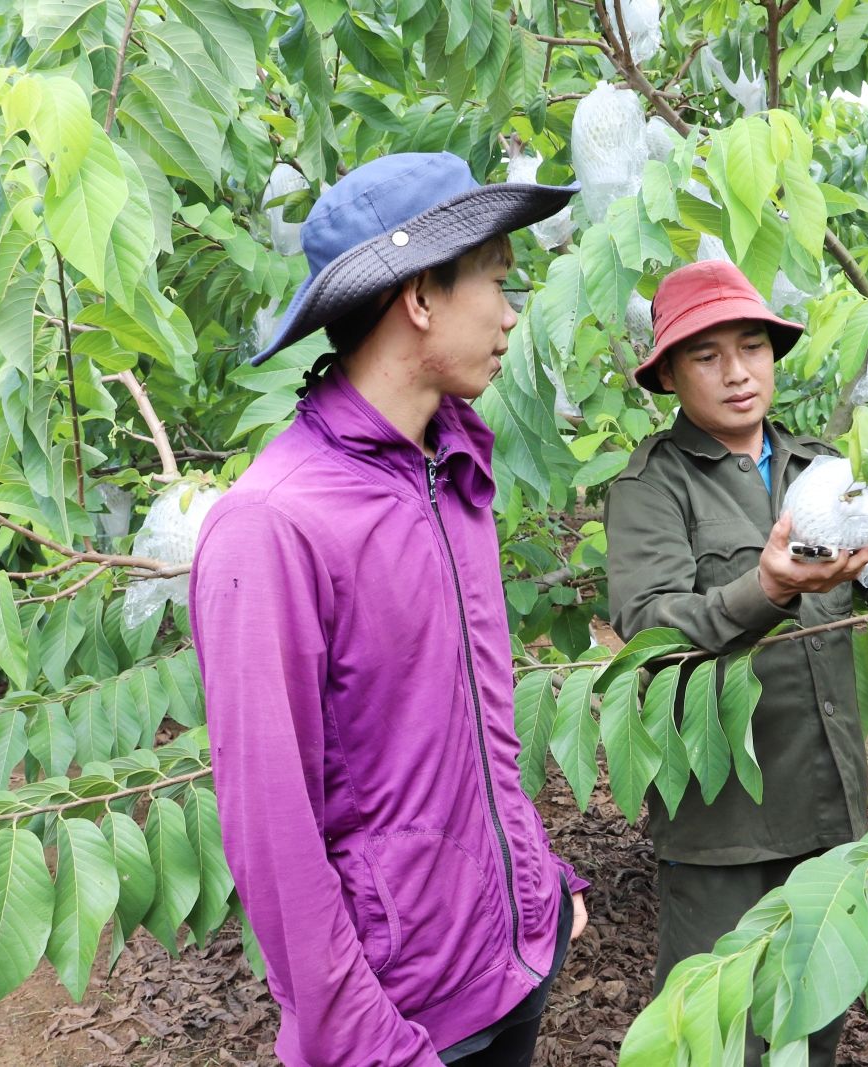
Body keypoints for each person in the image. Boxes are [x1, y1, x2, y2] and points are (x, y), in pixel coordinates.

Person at [189, 152, 589, 1067]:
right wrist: (368, 1045)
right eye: (496, 279)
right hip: (404, 1028)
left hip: (509, 968)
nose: (511, 313)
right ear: (418, 297)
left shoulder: (453, 471)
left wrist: (540, 878)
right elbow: (273, 834)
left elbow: (473, 732)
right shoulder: (274, 524)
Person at [605, 260, 868, 1066]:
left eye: (753, 347)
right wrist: (764, 588)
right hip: (724, 824)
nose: (737, 372)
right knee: (716, 1036)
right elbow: (653, 628)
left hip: (829, 803)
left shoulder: (825, 469)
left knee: (813, 1018)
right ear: (669, 374)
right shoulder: (652, 487)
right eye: (707, 356)